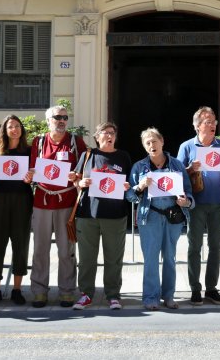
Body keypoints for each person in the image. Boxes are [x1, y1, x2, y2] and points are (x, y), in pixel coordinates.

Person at [127, 128, 194, 311]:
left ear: (162, 141)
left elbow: (188, 191)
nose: (151, 145)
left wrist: (186, 201)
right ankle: (150, 297)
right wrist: (139, 187)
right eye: (147, 143)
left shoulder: (177, 165)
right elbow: (130, 196)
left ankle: (169, 295)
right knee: (150, 259)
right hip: (150, 217)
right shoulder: (139, 167)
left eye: (154, 141)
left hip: (173, 218)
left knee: (170, 258)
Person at [29, 105, 87, 308]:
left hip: (66, 202)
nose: (62, 120)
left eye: (65, 117)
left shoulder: (75, 141)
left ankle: (67, 291)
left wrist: (77, 176)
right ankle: (38, 291)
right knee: (40, 249)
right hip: (42, 202)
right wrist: (29, 175)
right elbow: (31, 169)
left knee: (66, 250)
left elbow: (85, 168)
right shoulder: (39, 142)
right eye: (57, 117)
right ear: (48, 120)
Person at [177, 107, 220, 306]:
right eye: (207, 121)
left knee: (215, 247)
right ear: (196, 126)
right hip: (196, 204)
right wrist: (190, 168)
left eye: (213, 121)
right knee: (194, 247)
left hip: (218, 202)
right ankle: (195, 288)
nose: (211, 125)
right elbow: (178, 173)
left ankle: (211, 288)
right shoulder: (186, 146)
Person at [73, 122, 131, 310]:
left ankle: (113, 295)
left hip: (115, 215)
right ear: (97, 137)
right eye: (104, 133)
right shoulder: (88, 155)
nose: (109, 136)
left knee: (113, 258)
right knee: (87, 258)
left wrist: (127, 186)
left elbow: (131, 181)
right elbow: (76, 180)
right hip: (88, 213)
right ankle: (86, 294)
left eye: (112, 133)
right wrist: (81, 183)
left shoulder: (123, 156)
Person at [0, 115, 34, 307]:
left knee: (20, 244)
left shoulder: (29, 151)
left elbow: (33, 174)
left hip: (22, 199)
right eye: (10, 126)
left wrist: (31, 177)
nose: (14, 129)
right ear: (4, 130)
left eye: (17, 126)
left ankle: (17, 289)